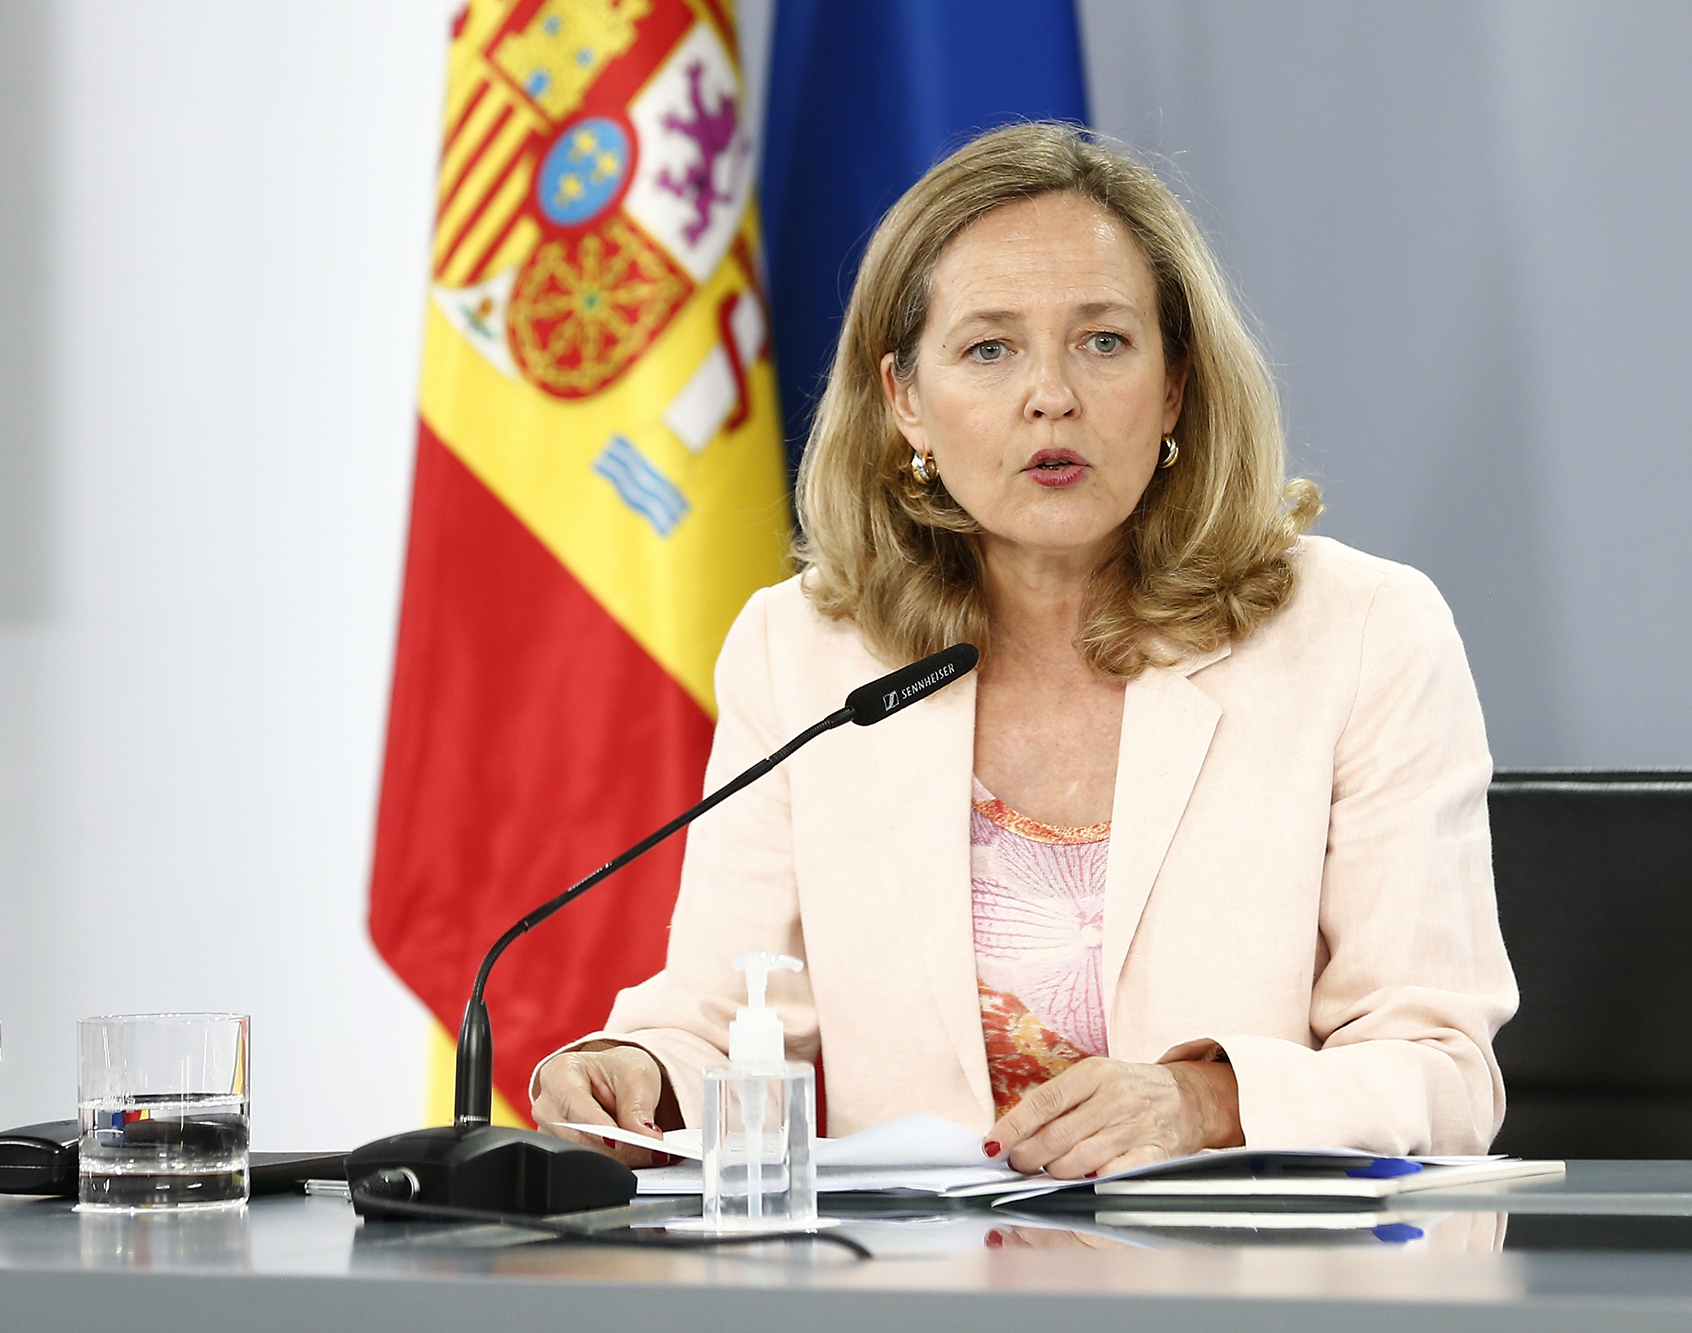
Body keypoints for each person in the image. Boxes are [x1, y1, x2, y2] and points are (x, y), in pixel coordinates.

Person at [530, 122, 1516, 1178]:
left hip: (1241, 1286)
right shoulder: (803, 654)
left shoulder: (1361, 636)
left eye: (1102, 341)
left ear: (1175, 383)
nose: (1051, 393)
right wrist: (634, 1066)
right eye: (988, 347)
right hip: (918, 1291)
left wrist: (1205, 1102)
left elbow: (1441, 1068)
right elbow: (721, 1011)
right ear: (905, 398)